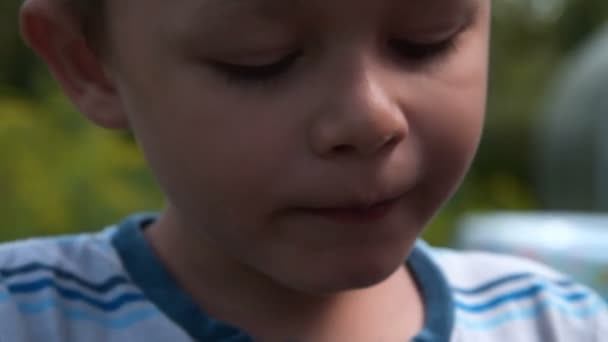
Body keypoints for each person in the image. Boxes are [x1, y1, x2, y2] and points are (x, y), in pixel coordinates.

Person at [3, 0, 606, 340]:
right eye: (260, 62)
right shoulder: (26, 318)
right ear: (88, 63)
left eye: (426, 41)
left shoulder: (559, 325)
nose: (370, 118)